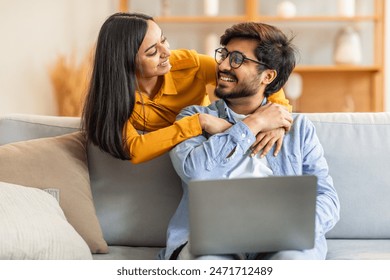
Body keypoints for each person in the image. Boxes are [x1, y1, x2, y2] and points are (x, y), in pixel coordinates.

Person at [161, 22, 340, 260]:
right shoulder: (194, 118)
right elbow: (195, 173)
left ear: (267, 75)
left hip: (284, 242)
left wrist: (297, 228)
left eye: (237, 59)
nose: (223, 65)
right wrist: (251, 125)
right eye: (224, 55)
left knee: (292, 263)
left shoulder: (298, 129)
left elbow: (327, 197)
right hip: (213, 242)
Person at [81, 12, 292, 164]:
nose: (166, 52)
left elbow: (258, 79)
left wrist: (277, 121)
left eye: (164, 40)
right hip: (192, 152)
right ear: (125, 61)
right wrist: (198, 122)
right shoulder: (115, 97)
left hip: (216, 142)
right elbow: (135, 149)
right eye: (153, 51)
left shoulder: (188, 65)